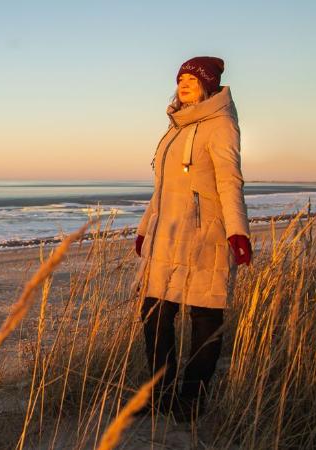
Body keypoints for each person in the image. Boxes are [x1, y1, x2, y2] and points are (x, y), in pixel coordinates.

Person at [132, 56, 253, 421]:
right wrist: (143, 229)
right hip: (166, 237)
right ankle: (160, 395)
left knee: (205, 319)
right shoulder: (174, 128)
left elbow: (230, 181)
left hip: (204, 238)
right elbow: (162, 189)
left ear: (208, 84)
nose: (183, 83)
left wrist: (237, 231)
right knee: (154, 315)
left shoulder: (221, 126)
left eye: (192, 79)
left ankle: (191, 400)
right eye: (180, 78)